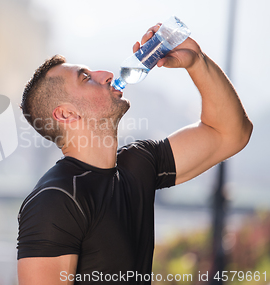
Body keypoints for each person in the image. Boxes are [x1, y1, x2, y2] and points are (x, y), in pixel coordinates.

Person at [16, 23, 253, 285]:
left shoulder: (138, 164)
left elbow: (231, 133)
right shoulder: (55, 199)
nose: (106, 74)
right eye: (85, 78)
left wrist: (197, 62)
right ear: (66, 114)